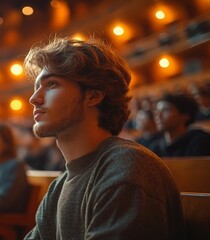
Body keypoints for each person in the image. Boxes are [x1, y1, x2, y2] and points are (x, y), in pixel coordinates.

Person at [23, 36, 184, 239]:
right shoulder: (60, 185)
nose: (34, 98)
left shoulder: (128, 167)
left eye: (52, 84)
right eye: (37, 86)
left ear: (93, 95)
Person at [149, 93, 210, 157]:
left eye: (166, 110)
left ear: (185, 116)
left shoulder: (202, 142)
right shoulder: (155, 148)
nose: (158, 115)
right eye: (157, 110)